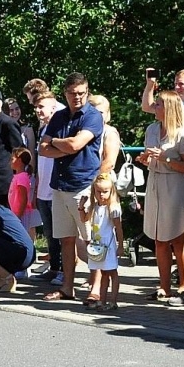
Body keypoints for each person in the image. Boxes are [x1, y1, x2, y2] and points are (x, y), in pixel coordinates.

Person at [38, 75, 103, 303]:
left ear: (87, 92)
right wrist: (63, 144)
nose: (77, 97)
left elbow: (77, 144)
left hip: (83, 185)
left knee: (90, 240)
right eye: (73, 93)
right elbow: (42, 149)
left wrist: (56, 141)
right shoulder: (59, 116)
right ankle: (68, 286)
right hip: (59, 185)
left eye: (81, 93)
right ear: (65, 93)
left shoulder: (94, 117)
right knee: (66, 239)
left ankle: (95, 288)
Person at [138, 91, 184, 304]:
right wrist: (146, 160)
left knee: (176, 237)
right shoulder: (152, 129)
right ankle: (164, 286)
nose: (155, 107)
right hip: (154, 181)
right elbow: (150, 156)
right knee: (158, 238)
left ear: (170, 108)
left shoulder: (183, 133)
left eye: (160, 104)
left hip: (175, 184)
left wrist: (166, 158)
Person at [29, 89, 64, 283]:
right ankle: (54, 267)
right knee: (50, 233)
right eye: (36, 107)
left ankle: (64, 271)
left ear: (54, 107)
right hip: (43, 189)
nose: (38, 111)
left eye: (41, 107)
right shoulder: (44, 128)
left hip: (56, 189)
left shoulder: (60, 127)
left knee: (61, 233)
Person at [78, 173, 124, 311]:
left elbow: (119, 228)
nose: (102, 195)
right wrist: (81, 207)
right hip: (97, 245)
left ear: (111, 191)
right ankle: (102, 301)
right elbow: (84, 219)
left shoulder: (113, 208)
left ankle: (113, 301)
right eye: (98, 192)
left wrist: (120, 245)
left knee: (112, 272)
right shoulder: (94, 206)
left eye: (105, 192)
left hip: (108, 245)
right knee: (102, 272)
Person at [142, 67, 184, 136]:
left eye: (181, 84)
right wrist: (150, 83)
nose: (177, 87)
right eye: (176, 84)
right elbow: (147, 107)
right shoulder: (173, 103)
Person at [8, 147, 42, 257]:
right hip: (17, 213)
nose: (10, 161)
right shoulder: (18, 176)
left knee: (22, 238)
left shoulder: (22, 177)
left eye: (12, 159)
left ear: (19, 160)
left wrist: (19, 214)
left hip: (22, 214)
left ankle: (24, 262)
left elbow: (23, 198)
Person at [89, 94, 123, 179]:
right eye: (93, 112)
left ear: (107, 113)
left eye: (101, 112)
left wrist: (95, 181)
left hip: (101, 181)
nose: (97, 115)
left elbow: (109, 163)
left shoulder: (109, 132)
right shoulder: (83, 130)